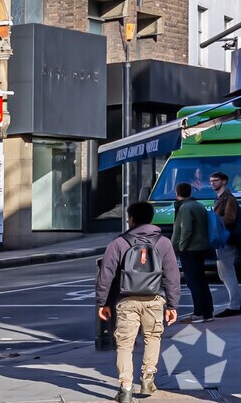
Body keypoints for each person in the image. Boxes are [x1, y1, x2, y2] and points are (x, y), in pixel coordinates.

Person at [98, 200, 179, 403]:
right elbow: (172, 275)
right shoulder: (163, 242)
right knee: (153, 337)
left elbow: (105, 274)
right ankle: (147, 378)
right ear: (151, 218)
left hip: (126, 300)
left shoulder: (119, 243)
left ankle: (125, 388)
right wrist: (172, 304)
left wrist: (102, 302)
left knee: (125, 344)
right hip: (154, 299)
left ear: (131, 219)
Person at [174, 182, 215, 322]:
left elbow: (186, 230)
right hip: (202, 247)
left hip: (190, 249)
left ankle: (198, 313)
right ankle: (208, 312)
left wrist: (181, 247)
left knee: (193, 282)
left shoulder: (185, 207)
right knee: (201, 280)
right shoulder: (198, 205)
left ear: (177, 192)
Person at [213, 172, 241, 315]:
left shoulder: (228, 198)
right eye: (211, 181)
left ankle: (235, 305)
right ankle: (235, 304)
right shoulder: (220, 198)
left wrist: (213, 221)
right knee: (224, 273)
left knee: (227, 272)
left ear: (224, 181)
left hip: (227, 240)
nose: (212, 183)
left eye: (216, 181)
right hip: (223, 240)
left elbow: (230, 218)